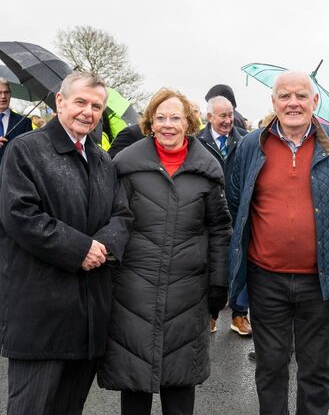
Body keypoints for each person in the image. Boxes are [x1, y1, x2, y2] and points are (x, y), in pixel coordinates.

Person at [0, 71, 132, 415]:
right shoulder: (25, 150)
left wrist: (102, 245)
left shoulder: (103, 161)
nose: (88, 112)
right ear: (60, 101)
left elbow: (122, 215)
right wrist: (78, 249)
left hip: (88, 316)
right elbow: (20, 215)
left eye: (96, 106)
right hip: (41, 316)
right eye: (81, 102)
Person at [228, 70, 329, 414]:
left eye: (301, 95)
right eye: (284, 96)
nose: (293, 103)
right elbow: (236, 201)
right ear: (273, 103)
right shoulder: (251, 144)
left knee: (315, 370)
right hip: (265, 277)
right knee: (270, 366)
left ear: (315, 102)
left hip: (319, 279)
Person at [97, 88, 232, 415]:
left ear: (189, 123)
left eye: (175, 118)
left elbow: (220, 230)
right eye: (160, 118)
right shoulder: (127, 167)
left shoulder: (207, 171)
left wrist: (218, 285)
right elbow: (113, 222)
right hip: (133, 293)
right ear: (149, 123)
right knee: (134, 383)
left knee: (180, 386)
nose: (167, 125)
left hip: (188, 293)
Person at [198, 95, 251, 336]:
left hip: (238, 211)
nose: (228, 120)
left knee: (241, 265)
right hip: (209, 215)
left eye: (230, 115)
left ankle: (239, 315)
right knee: (213, 265)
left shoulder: (245, 142)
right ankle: (211, 314)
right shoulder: (198, 142)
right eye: (223, 116)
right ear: (210, 117)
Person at [0, 78, 32, 162]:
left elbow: (30, 152)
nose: (3, 96)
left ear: (10, 95)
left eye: (6, 92)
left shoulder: (24, 122)